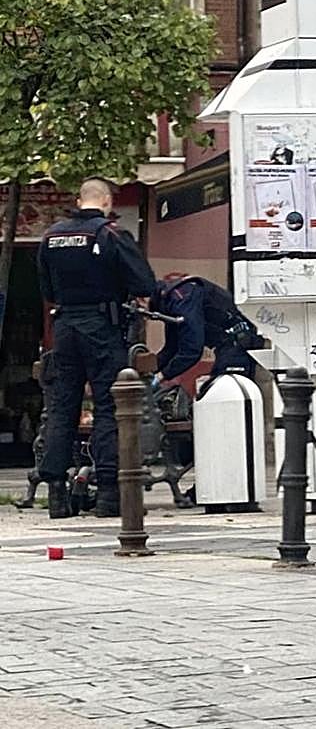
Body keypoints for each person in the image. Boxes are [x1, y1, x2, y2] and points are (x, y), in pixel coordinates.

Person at [37, 177, 156, 518]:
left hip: (64, 328)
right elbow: (144, 283)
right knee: (108, 406)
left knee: (62, 406)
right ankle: (107, 493)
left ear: (79, 200)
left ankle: (56, 493)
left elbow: (47, 290)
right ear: (106, 201)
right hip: (102, 327)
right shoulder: (111, 234)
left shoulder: (50, 236)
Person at [150, 276, 263, 391]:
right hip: (231, 342)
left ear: (142, 300)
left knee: (227, 389)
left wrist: (161, 375)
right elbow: (172, 348)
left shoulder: (182, 299)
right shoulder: (173, 301)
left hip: (237, 342)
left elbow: (191, 350)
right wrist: (152, 371)